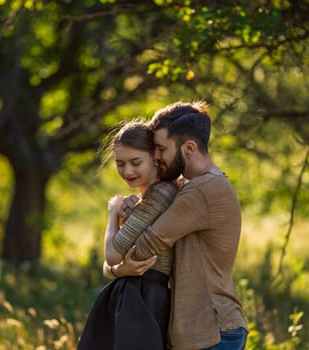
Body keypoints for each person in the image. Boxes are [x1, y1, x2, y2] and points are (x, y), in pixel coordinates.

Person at [109, 101, 249, 350]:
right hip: (208, 327)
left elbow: (141, 250)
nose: (157, 156)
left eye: (161, 149)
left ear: (189, 148)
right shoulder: (198, 184)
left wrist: (118, 268)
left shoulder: (201, 190)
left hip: (210, 330)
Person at [77, 120, 179, 350]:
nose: (127, 171)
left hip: (143, 299)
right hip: (139, 295)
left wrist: (113, 212)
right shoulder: (149, 197)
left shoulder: (160, 194)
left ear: (155, 157)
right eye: (120, 164)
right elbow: (113, 265)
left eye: (136, 162)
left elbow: (112, 255)